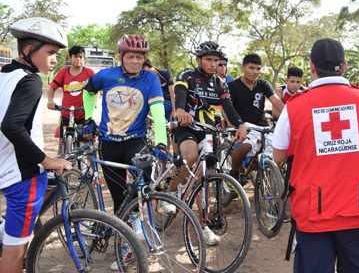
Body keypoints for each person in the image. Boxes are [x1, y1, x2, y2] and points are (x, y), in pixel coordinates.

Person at [272, 38, 359, 273]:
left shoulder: (294, 107)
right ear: (345, 65)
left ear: (311, 66)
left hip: (312, 209)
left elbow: (277, 156)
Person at [81, 35, 168, 253]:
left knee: (144, 177)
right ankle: (125, 243)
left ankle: (137, 216)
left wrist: (161, 142)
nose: (135, 62)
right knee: (119, 196)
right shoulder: (105, 76)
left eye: (139, 58)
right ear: (121, 57)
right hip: (108, 142)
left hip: (134, 140)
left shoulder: (150, 80)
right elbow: (88, 91)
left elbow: (158, 114)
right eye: (130, 57)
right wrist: (89, 118)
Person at [0, 17, 72, 273]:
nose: (55, 59)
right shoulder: (30, 80)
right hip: (21, 175)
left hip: (4, 167)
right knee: (15, 248)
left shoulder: (5, 75)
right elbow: (11, 126)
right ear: (29, 51)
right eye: (50, 53)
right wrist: (47, 160)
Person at [165, 41, 247, 245]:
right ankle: (172, 189)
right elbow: (181, 95)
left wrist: (240, 125)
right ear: (198, 59)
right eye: (208, 59)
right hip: (187, 127)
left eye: (216, 60)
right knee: (190, 157)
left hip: (208, 131)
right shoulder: (187, 75)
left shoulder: (220, 83)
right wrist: (181, 111)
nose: (212, 63)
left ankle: (203, 227)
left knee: (207, 180)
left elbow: (228, 106)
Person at [228, 54, 284, 182]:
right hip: (243, 126)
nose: (255, 72)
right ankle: (234, 172)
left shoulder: (263, 84)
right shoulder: (233, 86)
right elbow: (228, 108)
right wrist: (230, 122)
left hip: (263, 126)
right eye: (251, 68)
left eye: (258, 69)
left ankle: (268, 185)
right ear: (243, 68)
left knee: (279, 150)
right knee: (245, 147)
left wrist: (290, 116)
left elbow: (276, 101)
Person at [47, 45, 95, 151]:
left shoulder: (89, 73)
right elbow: (52, 87)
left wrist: (95, 102)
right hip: (66, 112)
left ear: (84, 59)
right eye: (75, 56)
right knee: (61, 142)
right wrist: (50, 100)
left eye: (80, 57)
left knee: (87, 143)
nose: (78, 59)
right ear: (70, 58)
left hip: (84, 113)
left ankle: (92, 168)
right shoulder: (63, 72)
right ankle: (61, 166)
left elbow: (97, 91)